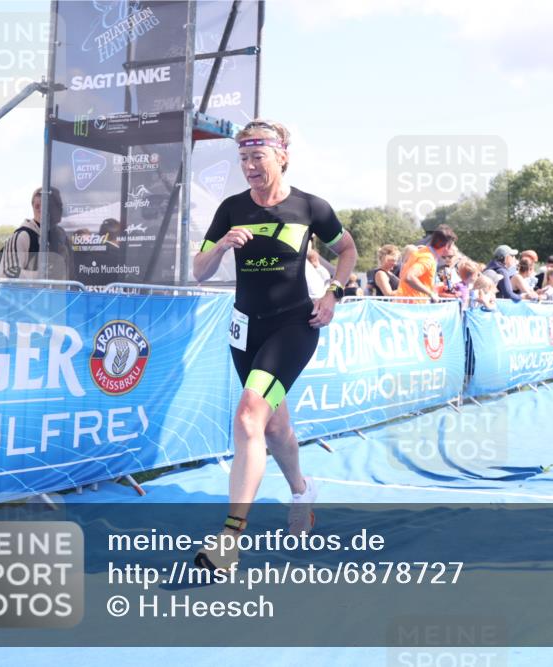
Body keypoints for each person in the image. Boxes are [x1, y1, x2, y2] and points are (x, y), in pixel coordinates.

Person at [191, 119, 357, 571]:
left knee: (249, 415)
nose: (249, 166)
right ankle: (303, 492)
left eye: (257, 156)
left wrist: (333, 294)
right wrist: (221, 245)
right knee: (273, 428)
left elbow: (347, 250)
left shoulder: (310, 207)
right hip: (245, 330)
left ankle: (229, 539)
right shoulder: (231, 208)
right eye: (243, 158)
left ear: (282, 156)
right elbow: (199, 271)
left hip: (293, 326)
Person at [0, 187, 73, 280]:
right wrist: (42, 276)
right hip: (33, 290)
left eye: (60, 205)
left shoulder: (61, 237)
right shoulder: (23, 236)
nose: (61, 209)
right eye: (57, 205)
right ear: (37, 207)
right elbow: (7, 273)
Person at [396, 227, 457, 302]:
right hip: (412, 305)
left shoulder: (423, 252)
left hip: (406, 303)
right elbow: (409, 277)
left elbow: (418, 280)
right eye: (452, 245)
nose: (452, 249)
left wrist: (437, 289)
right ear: (447, 246)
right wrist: (430, 293)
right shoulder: (427, 258)